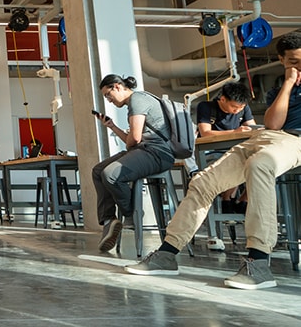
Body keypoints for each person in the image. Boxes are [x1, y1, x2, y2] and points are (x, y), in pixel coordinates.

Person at [124, 32, 301, 289]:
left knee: (259, 164)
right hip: (268, 136)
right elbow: (273, 123)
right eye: (293, 62)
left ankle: (259, 262)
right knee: (203, 181)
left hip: (296, 140)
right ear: (281, 61)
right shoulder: (279, 88)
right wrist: (287, 85)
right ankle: (167, 254)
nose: (298, 67)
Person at [93, 74, 175, 253]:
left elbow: (134, 139)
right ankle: (109, 221)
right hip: (143, 151)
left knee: (110, 174)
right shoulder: (134, 102)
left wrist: (130, 138)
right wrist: (113, 127)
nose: (109, 100)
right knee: (98, 171)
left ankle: (131, 214)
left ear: (117, 86)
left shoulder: (137, 99)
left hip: (157, 154)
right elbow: (132, 141)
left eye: (108, 95)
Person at [196, 81, 255, 209]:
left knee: (260, 164)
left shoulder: (243, 109)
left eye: (241, 107)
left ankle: (243, 200)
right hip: (211, 151)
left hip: (237, 150)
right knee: (236, 163)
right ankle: (226, 199)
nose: (238, 110)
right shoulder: (206, 107)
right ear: (222, 99)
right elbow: (205, 133)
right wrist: (235, 132)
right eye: (234, 107)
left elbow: (252, 127)